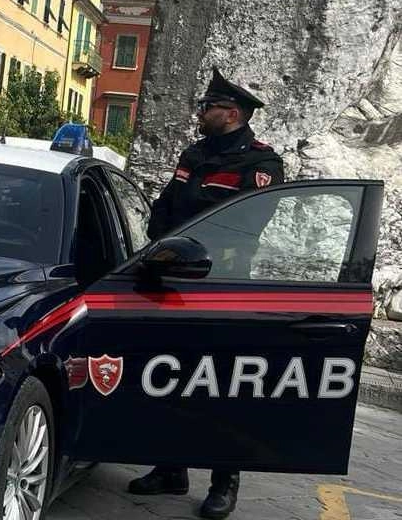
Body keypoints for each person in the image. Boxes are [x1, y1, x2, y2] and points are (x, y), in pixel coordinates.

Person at [133, 67, 285, 520]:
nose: (200, 112)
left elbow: (243, 227)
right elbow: (165, 207)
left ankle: (224, 480)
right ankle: (171, 469)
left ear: (231, 113)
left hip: (223, 287)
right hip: (176, 284)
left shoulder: (261, 164)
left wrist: (189, 235)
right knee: (170, 376)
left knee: (221, 387)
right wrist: (163, 243)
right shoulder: (194, 154)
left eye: (208, 107)